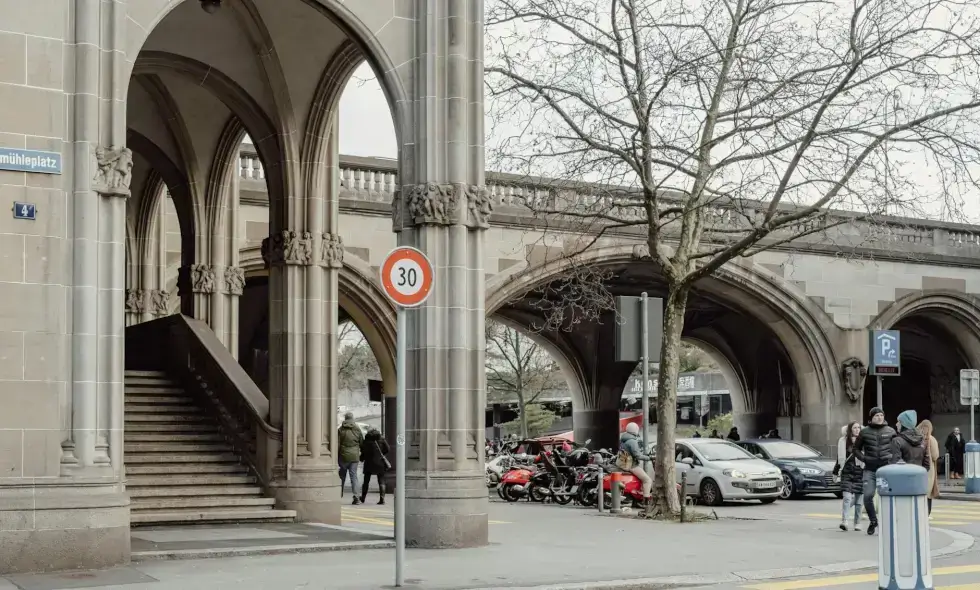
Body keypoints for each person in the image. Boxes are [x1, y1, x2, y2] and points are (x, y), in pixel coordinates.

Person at [852, 406, 896, 535]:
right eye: (877, 415)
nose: (879, 417)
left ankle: (887, 522)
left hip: (886, 470)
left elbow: (897, 448)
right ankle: (873, 521)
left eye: (881, 415)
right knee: (867, 496)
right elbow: (855, 449)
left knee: (887, 497)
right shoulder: (864, 432)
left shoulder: (890, 431)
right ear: (871, 417)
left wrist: (892, 459)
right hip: (870, 470)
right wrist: (864, 458)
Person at [836, 422, 864, 531]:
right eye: (854, 428)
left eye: (858, 428)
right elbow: (839, 458)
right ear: (850, 429)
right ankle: (845, 521)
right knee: (847, 498)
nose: (857, 429)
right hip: (847, 472)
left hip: (860, 471)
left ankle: (857, 523)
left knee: (858, 501)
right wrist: (835, 472)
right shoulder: (843, 441)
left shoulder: (864, 440)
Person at [617, 422, 652, 500]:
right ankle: (646, 500)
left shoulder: (623, 439)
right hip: (631, 465)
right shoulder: (632, 441)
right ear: (636, 430)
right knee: (647, 480)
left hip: (623, 463)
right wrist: (649, 458)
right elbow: (637, 456)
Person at [338, 412, 364, 505]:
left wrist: (337, 456)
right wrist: (361, 453)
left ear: (345, 418)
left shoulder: (341, 429)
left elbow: (337, 444)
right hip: (354, 456)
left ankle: (338, 495)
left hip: (343, 455)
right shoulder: (357, 428)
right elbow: (361, 442)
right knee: (354, 476)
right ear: (352, 418)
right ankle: (356, 497)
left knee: (342, 476)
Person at [359, 428, 390, 505]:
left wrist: (362, 458)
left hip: (368, 463)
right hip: (380, 462)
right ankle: (382, 499)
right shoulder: (382, 439)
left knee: (366, 481)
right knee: (381, 480)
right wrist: (381, 454)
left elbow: (363, 451)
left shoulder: (366, 441)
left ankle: (363, 498)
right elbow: (387, 449)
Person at [918, 419, 941, 515]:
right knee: (927, 492)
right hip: (929, 468)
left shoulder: (916, 438)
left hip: (917, 467)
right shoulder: (931, 439)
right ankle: (926, 513)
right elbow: (935, 455)